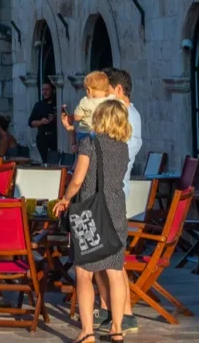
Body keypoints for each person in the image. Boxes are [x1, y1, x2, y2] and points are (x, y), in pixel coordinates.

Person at [52, 98, 132, 343]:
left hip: (89, 212)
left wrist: (65, 199)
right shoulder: (123, 147)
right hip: (116, 211)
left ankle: (87, 331)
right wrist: (71, 133)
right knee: (115, 271)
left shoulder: (90, 144)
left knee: (84, 272)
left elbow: (78, 179)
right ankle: (116, 328)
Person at [73, 71, 113, 143]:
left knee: (85, 151)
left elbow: (77, 117)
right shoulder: (111, 99)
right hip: (105, 133)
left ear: (89, 90)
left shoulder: (85, 101)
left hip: (85, 132)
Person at [28, 81, 60, 164]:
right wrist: (41, 122)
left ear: (53, 90)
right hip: (43, 138)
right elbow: (30, 122)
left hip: (56, 138)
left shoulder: (58, 103)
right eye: (43, 90)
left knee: (55, 161)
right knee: (45, 162)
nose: (44, 92)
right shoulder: (39, 105)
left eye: (47, 89)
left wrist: (56, 117)